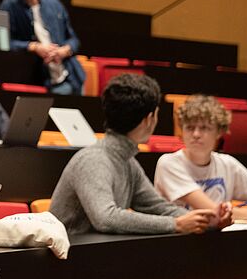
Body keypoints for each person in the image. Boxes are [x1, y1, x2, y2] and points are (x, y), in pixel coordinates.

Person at [50, 74, 230, 235]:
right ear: (149, 119)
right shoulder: (92, 160)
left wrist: (206, 221)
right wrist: (175, 225)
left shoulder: (127, 162)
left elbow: (158, 207)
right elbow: (106, 218)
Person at [154, 95, 247, 220]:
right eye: (189, 127)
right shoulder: (169, 163)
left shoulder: (228, 164)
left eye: (204, 128)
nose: (196, 134)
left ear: (219, 132)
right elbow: (212, 212)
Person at [0, 0, 84, 95]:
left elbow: (73, 39)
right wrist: (34, 47)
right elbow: (4, 42)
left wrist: (64, 50)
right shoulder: (10, 6)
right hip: (43, 80)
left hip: (73, 76)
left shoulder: (54, 4)